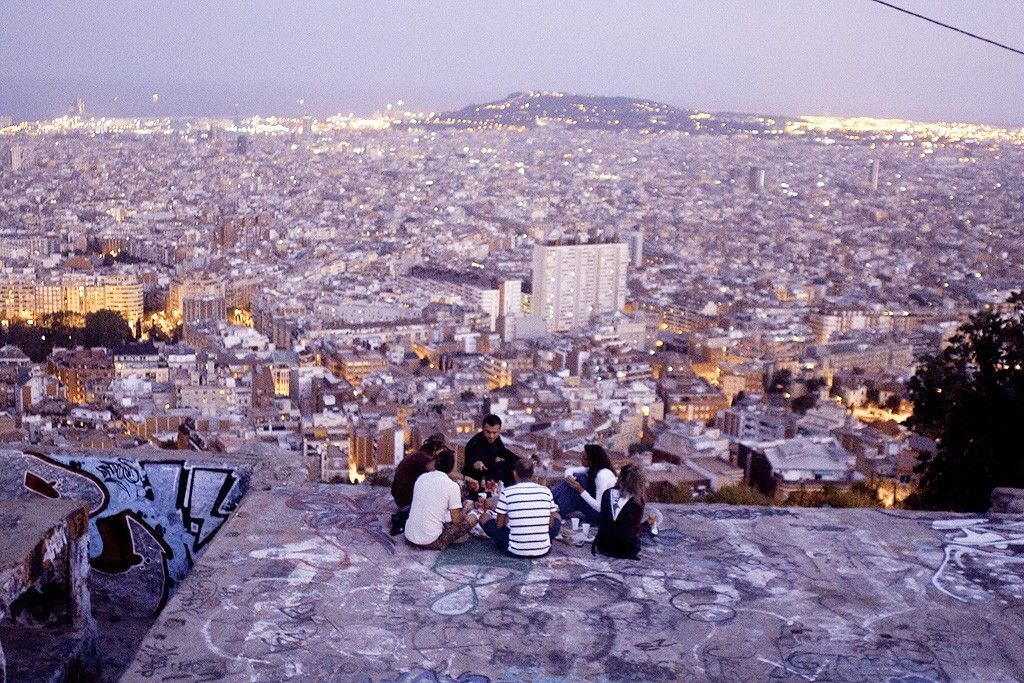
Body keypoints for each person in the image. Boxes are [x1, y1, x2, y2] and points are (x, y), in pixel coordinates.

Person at [480, 458, 561, 557]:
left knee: (484, 517)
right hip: (543, 550)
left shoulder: (507, 492)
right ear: (532, 474)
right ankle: (539, 542)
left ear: (515, 473)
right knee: (557, 516)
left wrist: (508, 520)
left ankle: (513, 543)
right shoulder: (546, 491)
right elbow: (551, 523)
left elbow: (499, 525)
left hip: (514, 551)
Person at [405, 449, 482, 550]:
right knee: (474, 517)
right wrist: (466, 509)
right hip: (430, 542)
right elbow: (457, 521)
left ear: (436, 463)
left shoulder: (422, 478)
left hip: (409, 536)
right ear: (452, 468)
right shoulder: (452, 486)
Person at [389, 434, 447, 535]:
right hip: (407, 502)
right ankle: (403, 518)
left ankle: (405, 516)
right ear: (435, 448)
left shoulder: (417, 455)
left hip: (400, 498)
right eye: (442, 449)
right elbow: (441, 470)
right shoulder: (425, 459)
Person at [551, 444, 617, 525]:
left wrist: (580, 489)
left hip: (602, 515)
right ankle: (553, 505)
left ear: (592, 460)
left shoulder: (602, 476)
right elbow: (570, 470)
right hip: (595, 508)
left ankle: (553, 507)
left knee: (573, 489)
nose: (581, 459)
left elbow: (600, 507)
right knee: (575, 479)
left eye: (584, 458)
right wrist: (569, 478)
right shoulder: (593, 469)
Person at [593, 462, 647, 560]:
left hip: (602, 545)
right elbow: (634, 529)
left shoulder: (607, 493)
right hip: (625, 550)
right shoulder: (638, 501)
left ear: (620, 478)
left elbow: (605, 520)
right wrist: (648, 524)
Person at [462, 414, 519, 491]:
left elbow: (503, 452)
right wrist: (476, 463)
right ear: (483, 429)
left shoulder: (496, 439)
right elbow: (470, 462)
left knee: (508, 466)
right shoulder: (473, 444)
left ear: (499, 430)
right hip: (476, 482)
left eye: (494, 432)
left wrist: (520, 461)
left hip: (490, 475)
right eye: (488, 432)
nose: (491, 436)